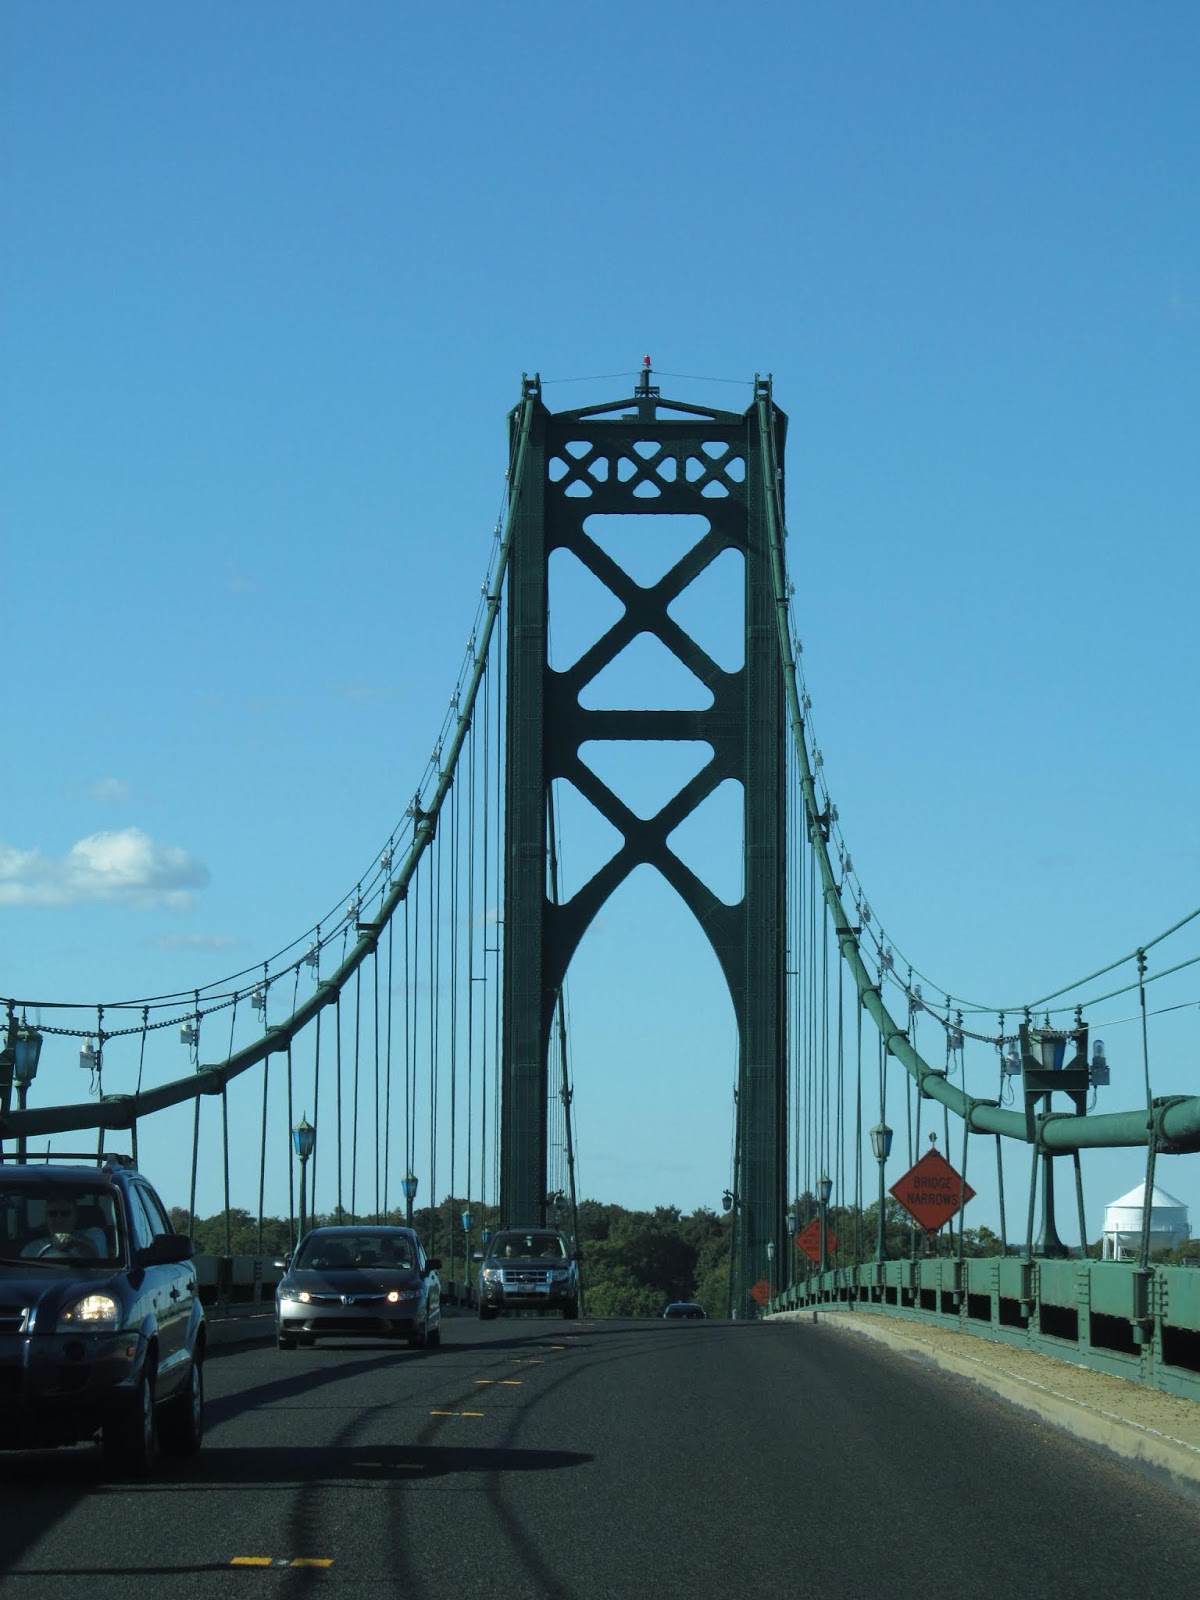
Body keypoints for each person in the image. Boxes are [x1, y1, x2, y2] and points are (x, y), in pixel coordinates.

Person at [21, 1196, 106, 1259]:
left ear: (75, 1217)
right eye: (53, 1214)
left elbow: (97, 1257)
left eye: (65, 1214)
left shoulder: (94, 1234)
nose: (59, 1219)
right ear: (46, 1218)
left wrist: (73, 1241)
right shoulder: (31, 1249)